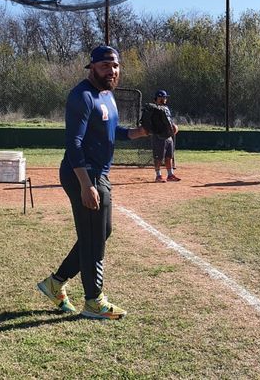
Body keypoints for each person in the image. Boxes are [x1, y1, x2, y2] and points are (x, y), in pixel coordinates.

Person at [37, 45, 149, 320]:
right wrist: (86, 184)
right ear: (92, 67)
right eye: (105, 66)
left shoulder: (107, 96)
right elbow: (73, 144)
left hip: (99, 174)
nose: (112, 71)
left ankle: (55, 283)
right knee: (94, 238)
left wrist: (141, 132)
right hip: (83, 174)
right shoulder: (81, 96)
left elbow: (113, 131)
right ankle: (94, 300)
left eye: (115, 66)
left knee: (99, 233)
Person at [150, 89, 180, 183]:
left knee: (169, 156)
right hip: (159, 136)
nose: (164, 99)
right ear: (157, 98)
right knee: (158, 157)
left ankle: (170, 175)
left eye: (165, 97)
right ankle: (158, 175)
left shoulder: (166, 108)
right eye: (162, 97)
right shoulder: (153, 109)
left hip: (168, 136)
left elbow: (168, 121)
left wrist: (174, 127)